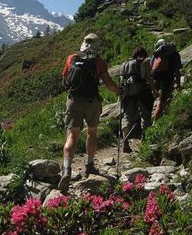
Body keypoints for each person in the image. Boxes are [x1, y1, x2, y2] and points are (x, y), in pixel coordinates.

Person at [59, 33, 119, 192]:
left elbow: (64, 80)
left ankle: (66, 169)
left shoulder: (71, 58)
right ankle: (90, 165)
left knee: (72, 135)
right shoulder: (99, 62)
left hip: (74, 100)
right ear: (97, 46)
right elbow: (108, 84)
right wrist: (120, 91)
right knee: (92, 133)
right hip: (92, 101)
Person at [119, 46, 156, 152]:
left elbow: (121, 80)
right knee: (145, 116)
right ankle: (145, 141)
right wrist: (154, 90)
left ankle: (125, 140)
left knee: (127, 117)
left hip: (127, 94)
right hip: (141, 93)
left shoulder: (125, 64)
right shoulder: (143, 62)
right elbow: (148, 78)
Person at [151, 39, 182, 120]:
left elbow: (151, 67)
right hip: (166, 77)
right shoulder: (174, 54)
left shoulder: (155, 54)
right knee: (162, 100)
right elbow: (177, 71)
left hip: (155, 77)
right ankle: (156, 123)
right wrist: (178, 85)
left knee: (162, 99)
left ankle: (165, 115)